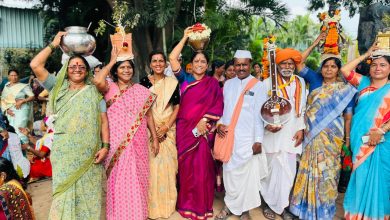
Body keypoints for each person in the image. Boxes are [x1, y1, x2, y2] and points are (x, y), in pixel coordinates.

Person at [30, 31, 109, 219]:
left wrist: (105, 146)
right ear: (66, 68)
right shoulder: (58, 87)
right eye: (73, 65)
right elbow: (35, 64)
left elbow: (104, 121)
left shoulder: (95, 92)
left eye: (81, 66)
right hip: (64, 155)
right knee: (62, 195)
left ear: (87, 70)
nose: (77, 69)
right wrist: (54, 44)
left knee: (89, 198)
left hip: (90, 156)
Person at [288, 34, 356, 220]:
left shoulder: (346, 89)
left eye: (333, 66)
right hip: (312, 135)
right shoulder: (315, 80)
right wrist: (317, 41)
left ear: (338, 69)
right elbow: (298, 60)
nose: (328, 69)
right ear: (321, 68)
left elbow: (348, 118)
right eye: (325, 65)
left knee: (328, 172)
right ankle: (303, 209)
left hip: (333, 138)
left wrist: (347, 142)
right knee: (308, 169)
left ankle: (324, 210)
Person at [94, 47, 159, 220]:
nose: (126, 70)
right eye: (122, 67)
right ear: (115, 71)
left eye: (129, 67)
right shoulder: (108, 88)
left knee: (138, 179)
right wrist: (112, 60)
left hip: (138, 143)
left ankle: (138, 215)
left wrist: (154, 138)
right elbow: (97, 80)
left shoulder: (140, 90)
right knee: (119, 181)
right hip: (116, 144)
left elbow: (149, 115)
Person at [169, 27, 223, 220]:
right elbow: (173, 58)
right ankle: (186, 206)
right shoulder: (184, 79)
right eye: (196, 61)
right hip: (185, 132)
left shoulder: (213, 84)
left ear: (207, 65)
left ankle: (202, 207)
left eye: (203, 61)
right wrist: (184, 37)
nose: (200, 64)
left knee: (203, 172)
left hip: (204, 131)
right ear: (191, 65)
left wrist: (204, 120)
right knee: (186, 171)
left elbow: (218, 105)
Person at [215, 50, 268, 220]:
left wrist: (258, 140)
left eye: (244, 64)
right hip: (229, 137)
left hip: (248, 138)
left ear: (250, 64)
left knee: (247, 175)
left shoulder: (258, 86)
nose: (241, 68)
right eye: (237, 64)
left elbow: (260, 116)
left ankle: (244, 211)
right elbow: (225, 111)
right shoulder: (228, 84)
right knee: (229, 173)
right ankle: (229, 206)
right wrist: (219, 124)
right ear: (234, 66)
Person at [340, 42, 390, 220]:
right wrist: (367, 53)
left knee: (382, 178)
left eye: (383, 65)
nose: (377, 68)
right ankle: (356, 215)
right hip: (360, 139)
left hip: (384, 143)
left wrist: (382, 130)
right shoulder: (363, 82)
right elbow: (345, 70)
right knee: (359, 175)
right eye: (374, 64)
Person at [260, 48, 307, 220]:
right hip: (272, 135)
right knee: (270, 171)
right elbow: (261, 109)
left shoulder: (301, 82)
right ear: (277, 65)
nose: (287, 66)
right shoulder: (267, 83)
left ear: (294, 66)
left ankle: (282, 207)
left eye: (290, 63)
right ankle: (268, 203)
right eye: (284, 63)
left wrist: (301, 128)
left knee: (288, 174)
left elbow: (302, 109)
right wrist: (267, 125)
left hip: (292, 134)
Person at [140, 50, 180, 219]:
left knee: (168, 168)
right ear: (150, 64)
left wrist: (166, 127)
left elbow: (177, 106)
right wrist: (154, 130)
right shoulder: (143, 82)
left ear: (166, 64)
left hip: (168, 128)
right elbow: (143, 108)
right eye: (154, 61)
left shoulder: (172, 82)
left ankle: (167, 205)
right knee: (151, 167)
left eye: (161, 61)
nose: (157, 64)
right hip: (149, 129)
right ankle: (151, 207)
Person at [1, 69, 34, 144]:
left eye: (15, 75)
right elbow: (3, 100)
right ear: (9, 76)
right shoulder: (6, 86)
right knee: (11, 129)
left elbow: (32, 96)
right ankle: (14, 148)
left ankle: (24, 148)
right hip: (10, 111)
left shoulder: (23, 86)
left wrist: (22, 101)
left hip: (22, 109)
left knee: (20, 128)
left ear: (18, 76)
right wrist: (6, 110)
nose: (14, 77)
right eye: (12, 75)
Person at [19, 117, 54, 182]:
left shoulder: (50, 137)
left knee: (26, 169)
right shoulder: (48, 134)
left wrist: (28, 147)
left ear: (47, 125)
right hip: (44, 163)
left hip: (46, 165)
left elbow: (41, 154)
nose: (40, 124)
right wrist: (28, 135)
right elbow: (39, 143)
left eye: (42, 123)